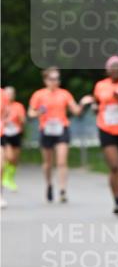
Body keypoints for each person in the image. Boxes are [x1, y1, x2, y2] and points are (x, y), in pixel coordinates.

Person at [79, 55, 118, 216]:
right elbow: (97, 102)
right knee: (115, 166)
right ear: (107, 70)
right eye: (112, 67)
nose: (116, 70)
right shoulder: (100, 86)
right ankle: (117, 200)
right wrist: (94, 107)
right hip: (106, 129)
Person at [28, 67, 83, 203]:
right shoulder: (38, 95)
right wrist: (38, 113)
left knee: (62, 161)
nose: (55, 82)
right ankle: (49, 184)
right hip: (46, 130)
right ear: (45, 80)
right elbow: (30, 113)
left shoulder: (64, 94)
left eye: (57, 79)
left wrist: (83, 103)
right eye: (52, 79)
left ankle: (62, 190)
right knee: (47, 163)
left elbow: (76, 111)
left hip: (61, 129)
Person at [0, 86, 26, 192]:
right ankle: (4, 176)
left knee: (15, 159)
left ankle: (10, 177)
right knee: (9, 156)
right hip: (5, 133)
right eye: (8, 93)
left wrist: (20, 119)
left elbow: (23, 120)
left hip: (15, 133)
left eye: (11, 94)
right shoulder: (3, 105)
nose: (9, 96)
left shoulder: (18, 106)